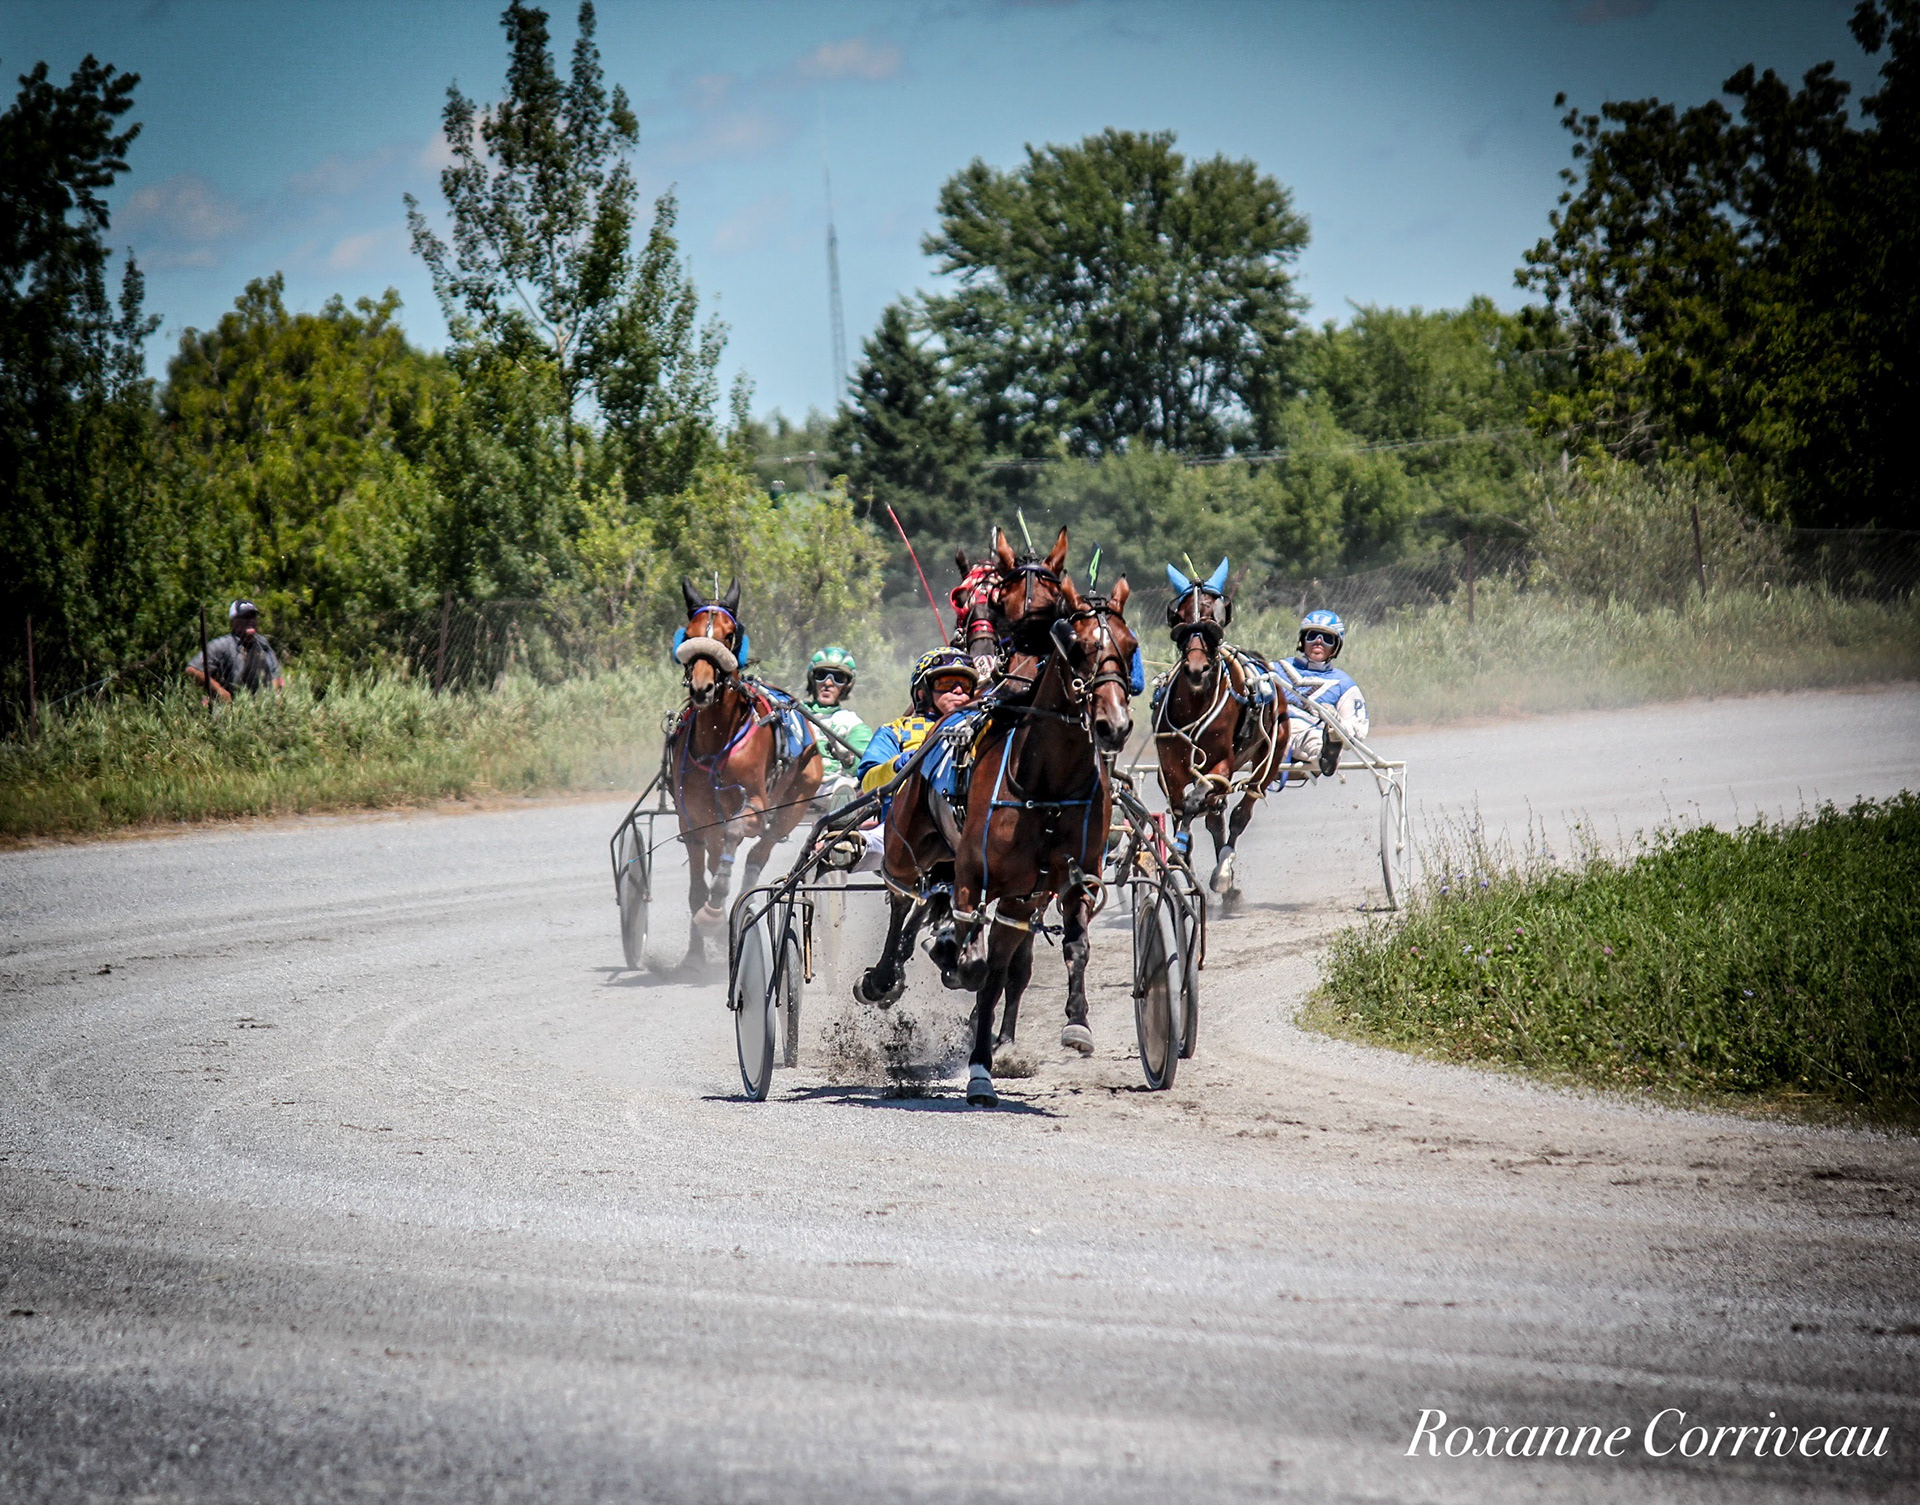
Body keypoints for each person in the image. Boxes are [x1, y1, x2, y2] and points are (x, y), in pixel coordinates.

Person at [1275, 609, 1368, 777]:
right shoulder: (1275, 668)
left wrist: (1337, 726)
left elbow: (1358, 728)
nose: (1318, 642)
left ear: (1336, 647)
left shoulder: (1343, 684)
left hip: (1303, 732)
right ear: (1303, 640)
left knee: (1314, 738)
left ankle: (1326, 754)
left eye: (1327, 638)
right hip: (1268, 727)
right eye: (1313, 636)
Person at [802, 645, 873, 801]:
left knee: (846, 787)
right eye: (822, 675)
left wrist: (847, 757)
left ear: (846, 686)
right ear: (812, 680)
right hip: (792, 786)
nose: (828, 683)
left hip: (830, 791)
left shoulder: (853, 723)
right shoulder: (793, 712)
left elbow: (866, 767)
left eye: (838, 678)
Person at [185, 600, 284, 702]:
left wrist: (275, 696)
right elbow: (192, 669)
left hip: (260, 709)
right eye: (245, 617)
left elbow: (274, 673)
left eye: (253, 616)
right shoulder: (221, 645)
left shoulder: (262, 643)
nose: (250, 621)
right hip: (231, 710)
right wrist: (219, 691)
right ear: (233, 621)